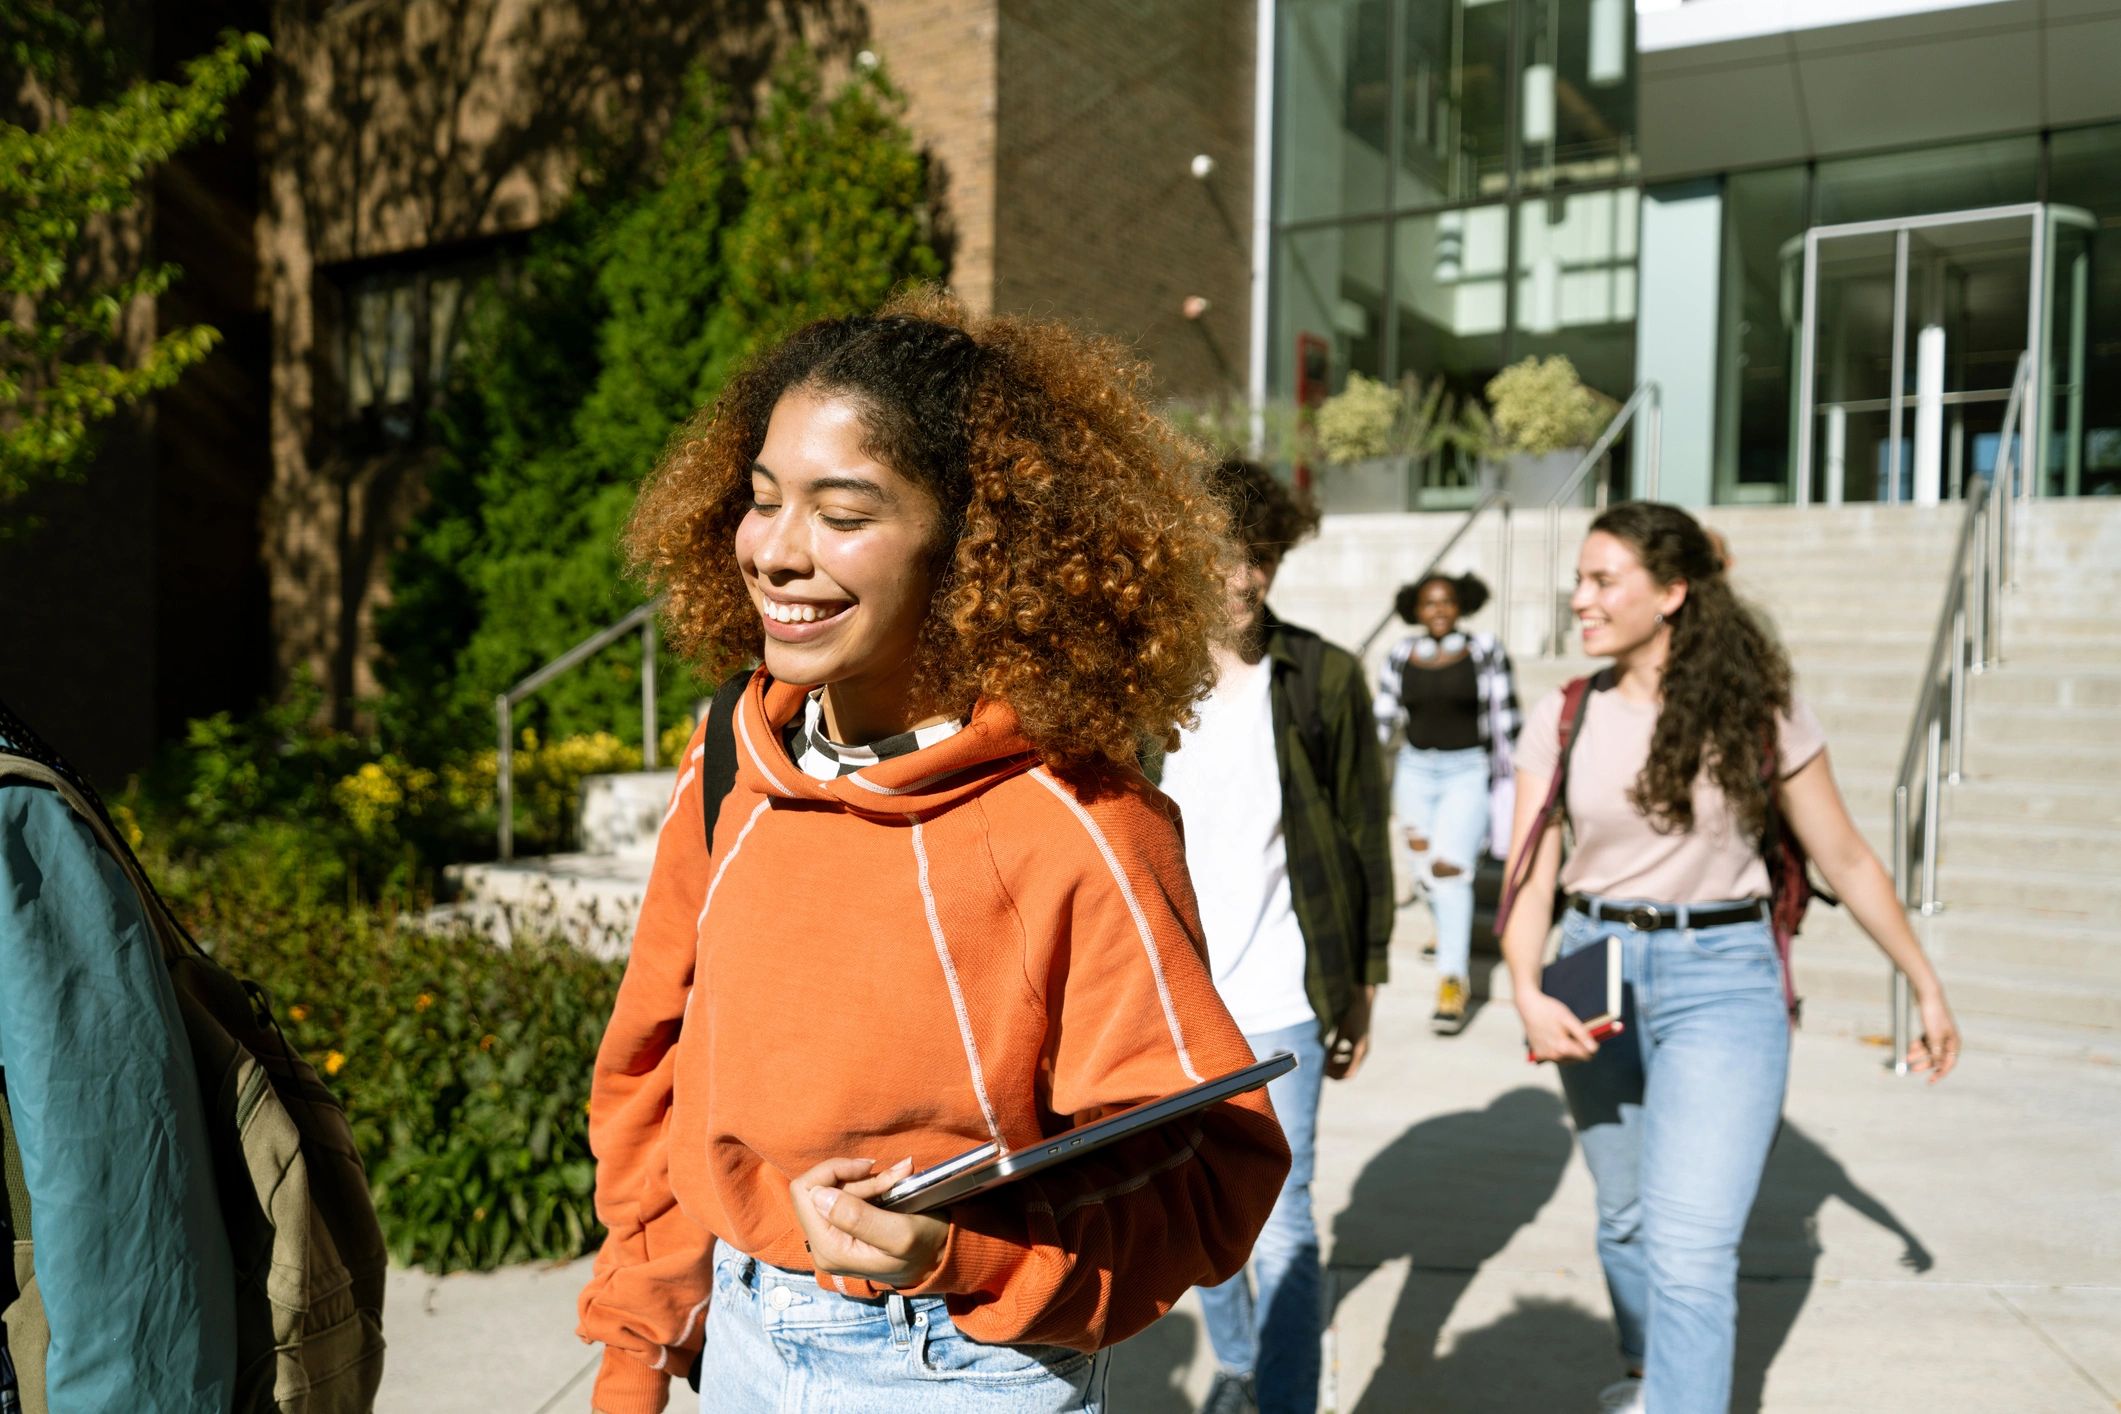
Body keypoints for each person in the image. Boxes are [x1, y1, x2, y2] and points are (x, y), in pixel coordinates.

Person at [576, 292, 1292, 1413]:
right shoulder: (727, 757)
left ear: (972, 548)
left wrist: (962, 1258)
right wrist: (636, 1342)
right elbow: (651, 1076)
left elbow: (1211, 1174)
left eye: (843, 513)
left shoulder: (1082, 821)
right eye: (762, 501)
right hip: (743, 1341)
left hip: (956, 1368)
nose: (776, 550)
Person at [1499, 502, 1961, 1414]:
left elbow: (1848, 858)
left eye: (1602, 581)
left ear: (1670, 593)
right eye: (1579, 580)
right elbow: (1526, 877)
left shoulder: (1761, 711)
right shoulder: (1563, 716)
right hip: (1591, 964)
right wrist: (1523, 986)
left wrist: (1924, 983)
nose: (1579, 599)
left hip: (1723, 975)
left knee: (1690, 1243)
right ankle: (1650, 1375)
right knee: (1627, 1218)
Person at [1152, 460, 1394, 1414]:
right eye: (1221, 556)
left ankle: (1285, 1402)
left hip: (1285, 996)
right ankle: (1241, 1364)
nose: (1242, 579)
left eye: (1258, 557)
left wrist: (1363, 984)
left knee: (1284, 1219)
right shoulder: (1143, 685)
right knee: (1198, 1207)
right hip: (1173, 996)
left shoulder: (1320, 677)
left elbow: (1364, 834)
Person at [1373, 572, 1520, 1035]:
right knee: (1422, 869)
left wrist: (1512, 778)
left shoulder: (1485, 651)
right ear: (1415, 610)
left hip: (1467, 772)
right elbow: (1383, 717)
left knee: (1449, 873)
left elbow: (1506, 720)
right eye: (1429, 603)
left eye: (1447, 602)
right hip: (1415, 772)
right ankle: (1446, 931)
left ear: (1461, 606)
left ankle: (1452, 984)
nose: (1438, 610)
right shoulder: (1400, 655)